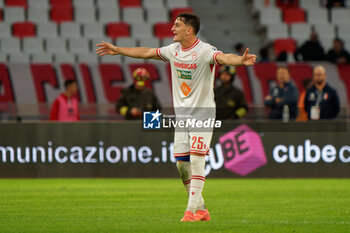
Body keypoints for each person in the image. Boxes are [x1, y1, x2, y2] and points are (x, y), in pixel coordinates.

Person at [96, 12, 257, 222]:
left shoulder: (204, 51)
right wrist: (118, 50)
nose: (172, 29)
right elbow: (146, 52)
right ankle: (202, 209)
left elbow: (225, 58)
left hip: (203, 114)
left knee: (197, 160)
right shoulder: (173, 50)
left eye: (177, 25)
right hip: (182, 118)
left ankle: (189, 212)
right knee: (182, 166)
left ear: (189, 30)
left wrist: (240, 61)